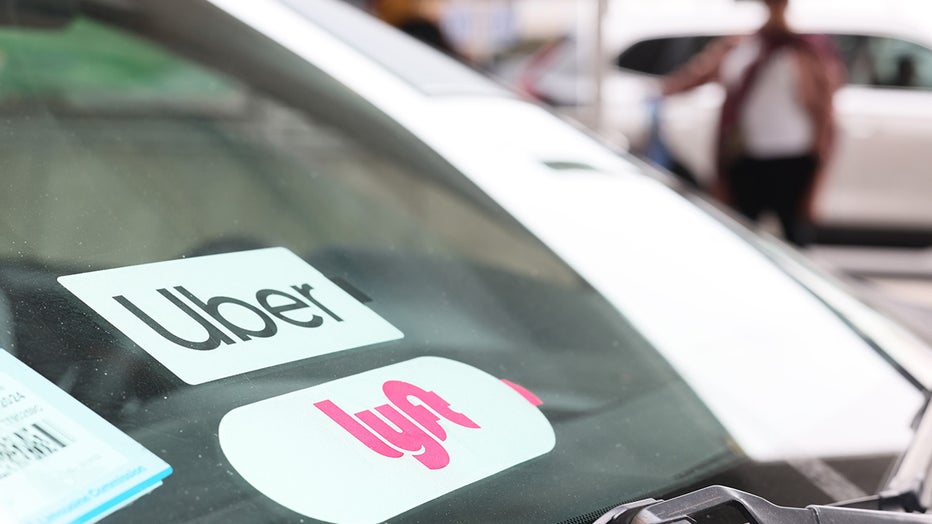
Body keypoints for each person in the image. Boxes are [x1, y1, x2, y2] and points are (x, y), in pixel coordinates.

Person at [661, 0, 844, 246]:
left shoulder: (805, 49)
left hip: (791, 159)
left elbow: (824, 110)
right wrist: (660, 91)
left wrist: (819, 167)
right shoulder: (743, 44)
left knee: (794, 237)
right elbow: (698, 74)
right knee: (740, 234)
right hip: (744, 155)